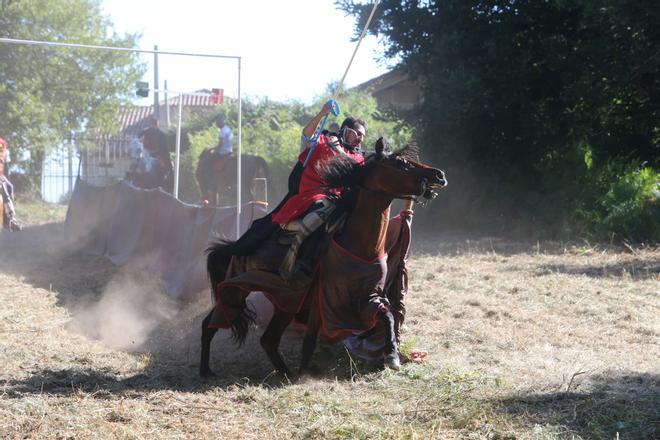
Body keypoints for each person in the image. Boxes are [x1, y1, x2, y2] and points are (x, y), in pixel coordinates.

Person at [274, 102, 367, 284]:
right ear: (345, 130)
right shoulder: (323, 140)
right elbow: (306, 135)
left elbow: (356, 170)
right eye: (357, 134)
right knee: (325, 205)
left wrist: (339, 151)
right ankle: (293, 244)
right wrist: (322, 113)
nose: (360, 139)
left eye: (363, 136)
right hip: (311, 195)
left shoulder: (358, 158)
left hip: (338, 200)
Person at [139, 117, 172, 183]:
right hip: (147, 154)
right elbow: (139, 136)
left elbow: (163, 149)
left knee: (158, 165)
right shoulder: (147, 132)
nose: (152, 126)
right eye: (151, 124)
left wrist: (154, 153)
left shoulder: (162, 135)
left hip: (159, 155)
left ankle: (162, 180)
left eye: (154, 124)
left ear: (157, 125)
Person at [0, 158, 20, 231]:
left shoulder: (2, 176)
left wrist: (11, 196)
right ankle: (11, 220)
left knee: (3, 187)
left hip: (4, 198)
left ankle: (11, 221)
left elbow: (10, 186)